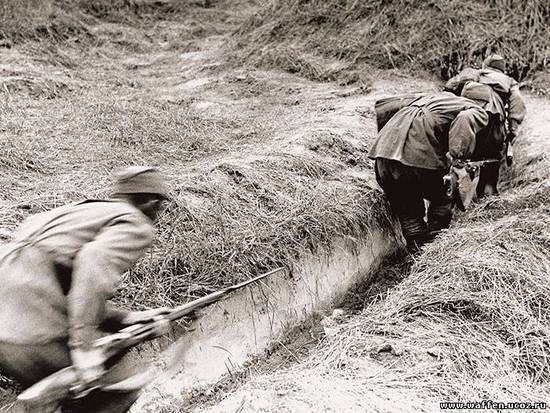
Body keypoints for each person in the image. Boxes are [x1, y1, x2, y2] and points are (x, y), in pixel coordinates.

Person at [0, 166, 170, 412]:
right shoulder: (135, 223)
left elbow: (57, 279)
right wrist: (83, 347)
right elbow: (93, 264)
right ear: (151, 203)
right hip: (29, 324)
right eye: (160, 206)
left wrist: (125, 318)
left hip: (9, 326)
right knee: (114, 392)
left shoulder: (74, 213)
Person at [369, 92, 490, 252]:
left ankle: (416, 249)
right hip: (416, 158)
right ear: (483, 103)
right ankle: (435, 246)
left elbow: (384, 105)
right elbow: (465, 119)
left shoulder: (431, 97)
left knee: (406, 205)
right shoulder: (475, 108)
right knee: (445, 193)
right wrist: (459, 161)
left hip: (383, 157)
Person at [444, 54, 526, 197]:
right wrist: (512, 131)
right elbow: (517, 105)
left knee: (464, 158)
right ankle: (488, 195)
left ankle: (458, 194)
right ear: (502, 69)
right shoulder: (509, 81)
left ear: (485, 65)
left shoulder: (473, 73)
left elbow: (449, 87)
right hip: (494, 122)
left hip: (469, 119)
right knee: (491, 160)